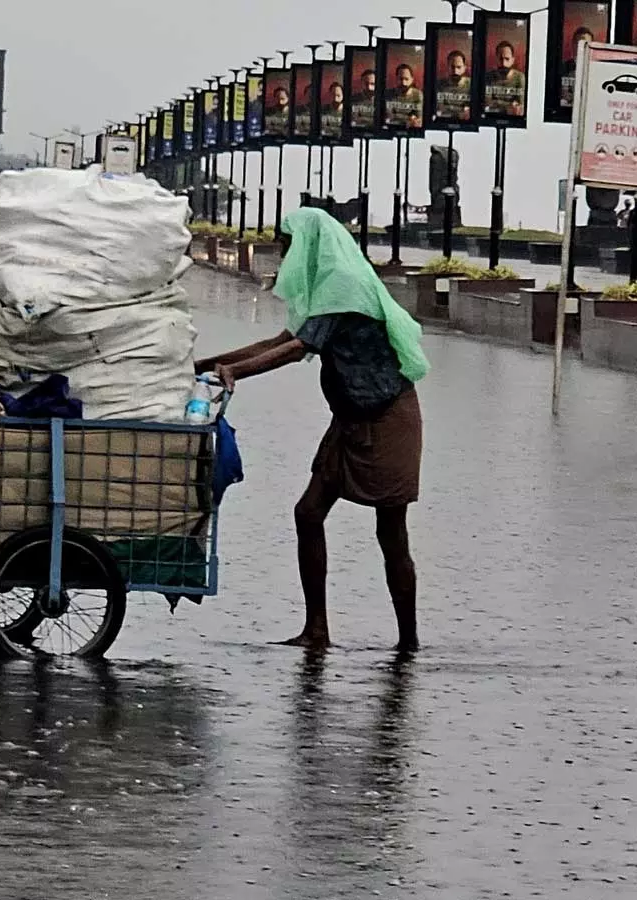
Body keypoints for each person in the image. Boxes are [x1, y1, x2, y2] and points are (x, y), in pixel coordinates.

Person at [195, 208, 430, 653]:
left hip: (388, 418)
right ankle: (316, 629)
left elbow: (299, 348)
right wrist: (209, 365)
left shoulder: (345, 287)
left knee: (391, 531)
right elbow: (279, 341)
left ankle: (408, 641)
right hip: (350, 419)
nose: (286, 255)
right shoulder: (327, 291)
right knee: (309, 514)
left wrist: (236, 374)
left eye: (288, 246)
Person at [485, 40, 527, 117]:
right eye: (501, 59)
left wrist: (497, 104)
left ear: (512, 60)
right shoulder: (488, 76)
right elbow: (487, 103)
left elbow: (520, 107)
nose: (504, 63)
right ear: (496, 59)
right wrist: (509, 105)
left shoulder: (520, 77)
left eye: (507, 59)